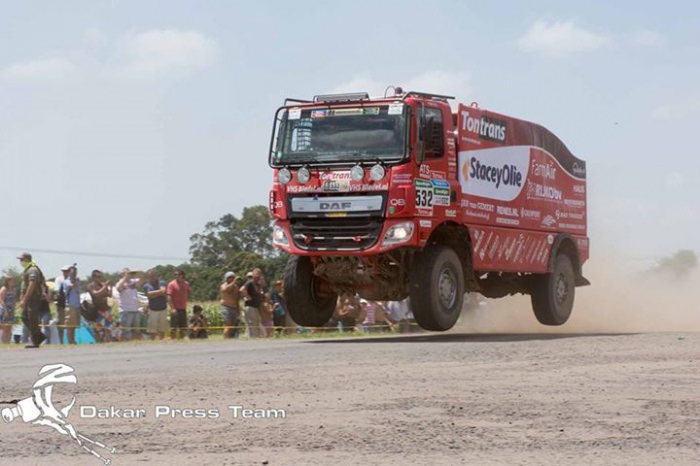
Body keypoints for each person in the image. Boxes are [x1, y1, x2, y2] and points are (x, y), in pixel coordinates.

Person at [17, 252, 46, 348]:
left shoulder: (32, 270)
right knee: (24, 316)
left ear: (26, 260)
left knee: (32, 318)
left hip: (33, 297)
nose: (20, 262)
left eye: (21, 260)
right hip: (29, 298)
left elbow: (31, 285)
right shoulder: (27, 270)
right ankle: (39, 336)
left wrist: (25, 299)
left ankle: (35, 340)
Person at [116, 268, 143, 341]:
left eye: (129, 273)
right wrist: (125, 277)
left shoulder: (133, 281)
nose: (129, 275)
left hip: (135, 309)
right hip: (125, 310)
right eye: (126, 273)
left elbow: (141, 280)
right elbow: (119, 288)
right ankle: (124, 343)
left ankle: (136, 343)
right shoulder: (120, 282)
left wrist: (139, 272)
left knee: (137, 330)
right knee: (125, 330)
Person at [87, 269, 113, 342]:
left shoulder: (102, 285)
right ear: (93, 277)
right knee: (97, 329)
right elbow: (96, 294)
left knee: (108, 328)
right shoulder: (90, 286)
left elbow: (109, 295)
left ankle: (107, 342)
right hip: (97, 311)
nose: (100, 278)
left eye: (101, 277)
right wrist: (105, 286)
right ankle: (98, 343)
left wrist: (110, 287)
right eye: (98, 277)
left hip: (106, 309)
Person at [60, 265, 82, 345]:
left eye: (75, 272)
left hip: (76, 305)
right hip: (70, 305)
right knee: (69, 325)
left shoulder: (77, 281)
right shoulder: (66, 281)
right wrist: (74, 280)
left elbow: (78, 290)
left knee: (74, 325)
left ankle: (73, 340)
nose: (74, 274)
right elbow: (71, 286)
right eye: (72, 272)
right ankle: (70, 340)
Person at [144, 270, 168, 340]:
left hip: (163, 308)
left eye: (153, 275)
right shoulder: (146, 285)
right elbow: (149, 295)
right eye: (150, 276)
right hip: (153, 309)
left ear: (156, 276)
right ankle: (153, 342)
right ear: (148, 277)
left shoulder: (162, 282)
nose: (152, 277)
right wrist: (159, 293)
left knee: (162, 328)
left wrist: (153, 294)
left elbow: (163, 291)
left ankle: (161, 341)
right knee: (152, 329)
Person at [240, 269, 264, 338]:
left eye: (259, 275)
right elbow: (242, 289)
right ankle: (251, 337)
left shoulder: (258, 284)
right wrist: (247, 296)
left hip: (256, 306)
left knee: (256, 322)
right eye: (256, 275)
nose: (258, 277)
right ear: (253, 275)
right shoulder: (250, 282)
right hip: (250, 306)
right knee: (252, 323)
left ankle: (255, 336)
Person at [167, 269, 190, 340]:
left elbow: (188, 293)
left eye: (178, 274)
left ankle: (181, 340)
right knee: (173, 327)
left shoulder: (186, 284)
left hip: (183, 308)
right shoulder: (171, 284)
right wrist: (172, 308)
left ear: (182, 275)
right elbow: (169, 297)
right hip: (175, 309)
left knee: (183, 328)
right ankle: (172, 340)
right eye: (175, 275)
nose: (177, 276)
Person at [219, 271, 241, 339]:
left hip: (234, 308)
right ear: (226, 278)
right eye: (230, 277)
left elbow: (237, 298)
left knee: (233, 325)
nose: (231, 279)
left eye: (233, 277)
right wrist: (234, 281)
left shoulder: (236, 287)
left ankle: (230, 338)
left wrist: (238, 308)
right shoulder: (223, 286)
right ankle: (225, 338)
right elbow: (226, 290)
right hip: (226, 307)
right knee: (228, 324)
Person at [54, 265, 72, 344]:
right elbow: (57, 290)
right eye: (64, 271)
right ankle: (60, 341)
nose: (65, 272)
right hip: (61, 305)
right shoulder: (59, 279)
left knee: (70, 324)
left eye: (67, 271)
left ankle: (70, 341)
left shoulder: (72, 279)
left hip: (70, 304)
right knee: (61, 323)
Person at [0, 275, 17, 344]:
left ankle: (8, 342)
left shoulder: (14, 289)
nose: (13, 282)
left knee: (10, 328)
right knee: (5, 328)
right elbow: (1, 300)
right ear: (7, 281)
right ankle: (4, 342)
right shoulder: (4, 289)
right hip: (5, 310)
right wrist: (5, 310)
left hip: (11, 310)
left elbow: (14, 299)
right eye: (11, 280)